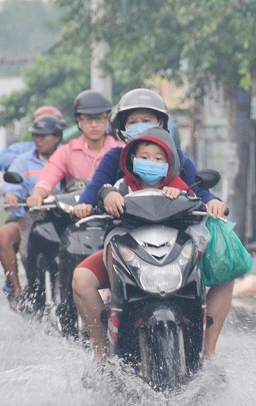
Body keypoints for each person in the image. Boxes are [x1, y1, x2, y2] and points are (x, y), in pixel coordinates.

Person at [72, 88, 233, 360]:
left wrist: (213, 202)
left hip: (175, 246)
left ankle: (208, 354)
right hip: (126, 246)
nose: (140, 127)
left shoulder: (177, 162)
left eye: (146, 120)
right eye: (132, 122)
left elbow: (199, 192)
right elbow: (96, 189)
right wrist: (99, 198)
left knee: (227, 272)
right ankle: (101, 351)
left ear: (161, 124)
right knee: (81, 279)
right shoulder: (117, 165)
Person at [71, 128, 196, 363]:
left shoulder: (178, 186)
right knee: (81, 279)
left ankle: (201, 350)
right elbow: (103, 190)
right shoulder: (122, 186)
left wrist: (181, 194)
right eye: (145, 157)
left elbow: (197, 202)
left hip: (169, 256)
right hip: (129, 254)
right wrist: (107, 195)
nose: (151, 163)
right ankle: (102, 351)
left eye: (158, 159)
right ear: (132, 159)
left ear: (170, 163)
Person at [0, 114, 65, 305]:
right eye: (35, 135)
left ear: (57, 137)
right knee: (4, 236)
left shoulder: (67, 156)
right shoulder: (22, 160)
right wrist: (10, 195)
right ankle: (17, 290)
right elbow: (11, 185)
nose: (38, 140)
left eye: (43, 136)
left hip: (63, 218)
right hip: (30, 217)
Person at [26, 91, 122, 211]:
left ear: (108, 118)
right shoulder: (66, 151)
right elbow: (48, 177)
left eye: (99, 118)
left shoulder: (120, 151)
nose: (94, 124)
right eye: (88, 119)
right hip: (73, 214)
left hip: (112, 214)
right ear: (78, 120)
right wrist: (37, 195)